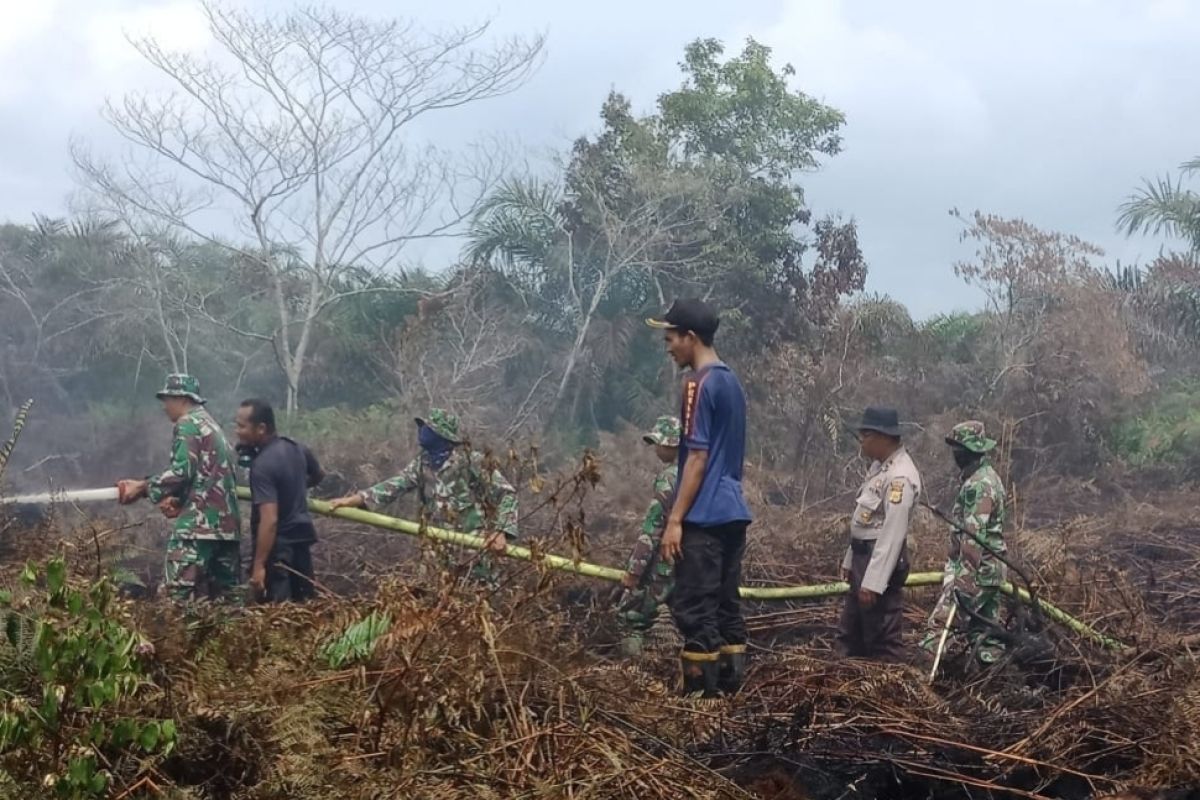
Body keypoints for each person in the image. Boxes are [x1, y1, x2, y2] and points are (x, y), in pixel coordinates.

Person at [647, 298, 752, 698]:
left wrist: (675, 519)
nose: (668, 347)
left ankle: (701, 706)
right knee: (727, 607)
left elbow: (696, 458)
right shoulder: (732, 383)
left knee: (694, 609)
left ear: (690, 338)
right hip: (733, 512)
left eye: (671, 338)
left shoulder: (696, 384)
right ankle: (731, 700)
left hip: (704, 518)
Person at [326, 408, 518, 586]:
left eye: (428, 429)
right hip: (437, 554)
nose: (423, 432)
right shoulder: (422, 463)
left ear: (441, 435)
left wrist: (500, 531)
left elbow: (506, 493)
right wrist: (355, 499)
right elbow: (395, 485)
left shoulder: (470, 461)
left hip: (473, 554)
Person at [117, 374, 241, 602]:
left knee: (176, 598)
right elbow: (207, 475)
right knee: (229, 602)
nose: (165, 407)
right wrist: (180, 500)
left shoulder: (187, 424)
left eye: (167, 400)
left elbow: (181, 471)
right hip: (226, 528)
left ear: (182, 399)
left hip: (198, 526)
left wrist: (142, 487)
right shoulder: (211, 425)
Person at [837, 407, 922, 662]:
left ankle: (890, 686)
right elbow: (863, 520)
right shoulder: (879, 468)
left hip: (879, 561)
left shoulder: (900, 476)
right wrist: (850, 559)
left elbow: (892, 534)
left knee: (881, 636)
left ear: (883, 437)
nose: (861, 442)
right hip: (864, 557)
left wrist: (874, 583)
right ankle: (849, 684)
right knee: (852, 631)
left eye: (866, 435)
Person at [927, 420, 1009, 664]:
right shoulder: (988, 477)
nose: (955, 455)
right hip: (991, 571)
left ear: (970, 450)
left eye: (958, 449)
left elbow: (973, 539)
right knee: (986, 636)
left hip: (976, 573)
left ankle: (919, 682)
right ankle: (992, 687)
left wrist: (962, 586)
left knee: (941, 628)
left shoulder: (978, 486)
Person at [234, 398, 325, 603]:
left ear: (261, 428)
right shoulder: (297, 448)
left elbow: (270, 520)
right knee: (305, 606)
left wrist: (258, 566)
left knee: (276, 613)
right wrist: (294, 489)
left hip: (278, 551)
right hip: (301, 542)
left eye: (241, 426)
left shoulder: (262, 466)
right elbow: (319, 474)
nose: (237, 431)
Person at [614, 415, 681, 658]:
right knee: (694, 622)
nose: (655, 448)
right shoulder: (701, 473)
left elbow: (653, 528)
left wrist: (635, 570)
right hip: (696, 561)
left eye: (659, 443)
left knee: (630, 617)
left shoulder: (669, 477)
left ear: (672, 443)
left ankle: (631, 678)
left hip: (665, 564)